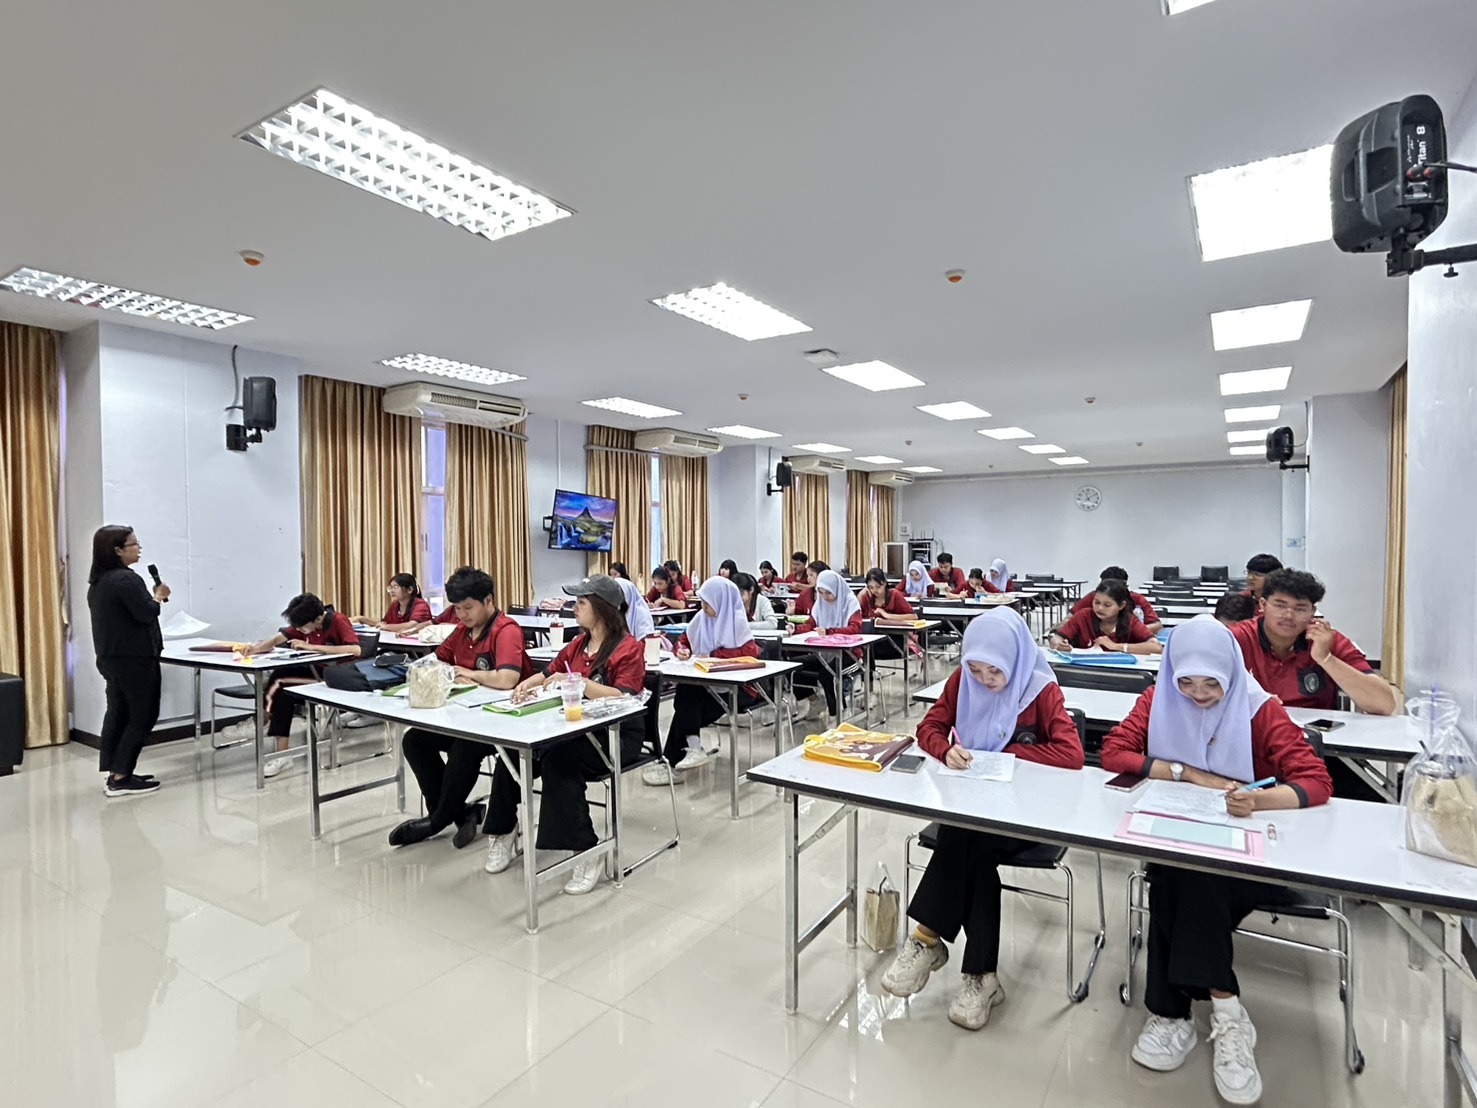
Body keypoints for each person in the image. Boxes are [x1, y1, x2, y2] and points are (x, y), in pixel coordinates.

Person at [1101, 617, 1332, 1105]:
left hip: (1251, 860)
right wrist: (1187, 774)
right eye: (1186, 682)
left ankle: (1173, 1014)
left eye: (1212, 683)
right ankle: (1226, 1013)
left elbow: (1316, 782)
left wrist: (1259, 801)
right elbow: (1115, 752)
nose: (1199, 695)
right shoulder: (1159, 698)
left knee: (1184, 880)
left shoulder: (1258, 709)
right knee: (1180, 872)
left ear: (1231, 672)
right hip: (1183, 845)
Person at [881, 608, 1084, 1029]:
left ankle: (927, 938)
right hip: (974, 808)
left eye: (994, 671)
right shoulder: (963, 682)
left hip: (1026, 815)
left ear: (1015, 659)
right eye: (975, 669)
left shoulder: (1039, 690)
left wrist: (1009, 754)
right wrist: (945, 750)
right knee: (974, 849)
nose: (984, 680)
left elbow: (1072, 754)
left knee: (965, 838)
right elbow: (928, 728)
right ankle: (981, 977)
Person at [490, 575, 647, 895]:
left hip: (615, 735)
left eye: (581, 603)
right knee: (513, 753)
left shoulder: (628, 648)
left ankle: (586, 848)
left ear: (602, 609)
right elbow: (548, 673)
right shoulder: (578, 643)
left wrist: (577, 682)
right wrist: (526, 685)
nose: (574, 608)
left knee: (559, 761)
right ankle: (503, 830)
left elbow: (625, 697)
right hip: (573, 729)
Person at [388, 567, 532, 849]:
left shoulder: (506, 630)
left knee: (465, 747)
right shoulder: (462, 631)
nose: (462, 615)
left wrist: (469, 673)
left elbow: (507, 678)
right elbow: (436, 661)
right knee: (414, 740)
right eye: (457, 608)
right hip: (465, 715)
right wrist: (447, 672)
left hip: (503, 721)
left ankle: (437, 820)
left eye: (468, 608)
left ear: (488, 600)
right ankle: (461, 813)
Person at [643, 577, 762, 786]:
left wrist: (713, 655)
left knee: (685, 709)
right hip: (707, 685)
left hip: (737, 689)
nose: (704, 608)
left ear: (721, 602)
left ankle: (677, 761)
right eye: (703, 603)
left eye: (708, 603)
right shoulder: (701, 619)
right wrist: (682, 650)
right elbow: (684, 641)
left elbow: (749, 655)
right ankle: (689, 751)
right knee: (687, 694)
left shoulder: (737, 622)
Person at [1228, 569, 1394, 717]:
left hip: (1316, 735)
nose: (1288, 616)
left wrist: (1326, 658)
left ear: (1312, 612)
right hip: (1255, 730)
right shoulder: (1237, 638)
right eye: (1280, 606)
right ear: (1263, 605)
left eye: (1300, 608)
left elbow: (1384, 704)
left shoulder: (1326, 639)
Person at [241, 593, 362, 778]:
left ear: (317, 619)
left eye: (302, 627)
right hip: (316, 672)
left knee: (280, 681)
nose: (299, 630)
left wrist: (313, 647)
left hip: (336, 677)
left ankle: (261, 721)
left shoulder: (338, 620)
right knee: (282, 689)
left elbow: (355, 649)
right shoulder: (305, 623)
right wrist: (255, 649)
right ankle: (282, 754)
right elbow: (277, 639)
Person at [87, 525, 167, 797]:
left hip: (112, 658)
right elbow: (145, 613)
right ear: (118, 550)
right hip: (135, 659)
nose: (139, 548)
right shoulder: (126, 580)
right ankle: (121, 777)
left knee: (119, 712)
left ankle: (117, 771)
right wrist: (158, 597)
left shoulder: (99, 581)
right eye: (133, 544)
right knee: (142, 715)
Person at [792, 569, 863, 722]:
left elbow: (855, 628)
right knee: (793, 666)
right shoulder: (820, 603)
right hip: (825, 652)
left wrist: (830, 631)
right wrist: (795, 629)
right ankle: (814, 701)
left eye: (828, 593)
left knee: (827, 674)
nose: (825, 597)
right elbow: (811, 625)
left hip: (850, 654)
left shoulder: (850, 601)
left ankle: (836, 713)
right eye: (821, 592)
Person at [1050, 580, 1162, 656]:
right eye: (1096, 602)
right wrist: (1059, 645)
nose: (1100, 608)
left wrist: (1117, 647)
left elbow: (1156, 647)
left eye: (1107, 605)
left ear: (1121, 606)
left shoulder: (1130, 621)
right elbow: (1056, 638)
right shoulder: (1083, 616)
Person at [1069, 567, 1162, 634]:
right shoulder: (1094, 597)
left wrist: (1130, 631)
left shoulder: (1137, 599)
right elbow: (1068, 619)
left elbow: (1157, 626)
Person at [353, 573, 433, 633]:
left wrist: (386, 627)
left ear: (409, 590)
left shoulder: (421, 605)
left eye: (395, 587)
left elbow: (412, 625)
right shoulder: (395, 605)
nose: (391, 591)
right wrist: (361, 619)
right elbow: (384, 623)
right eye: (390, 587)